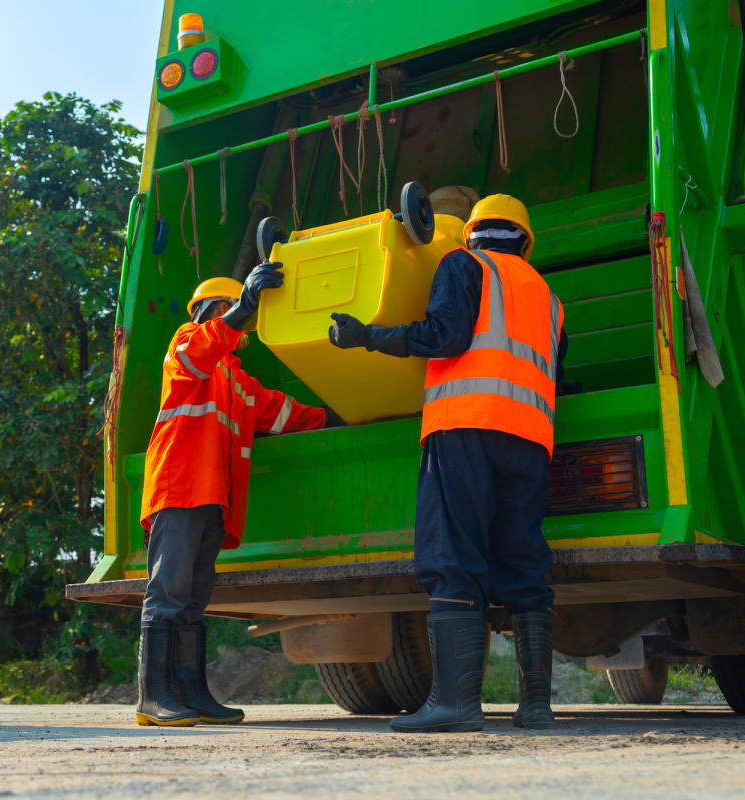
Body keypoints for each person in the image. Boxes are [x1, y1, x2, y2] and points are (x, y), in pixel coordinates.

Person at [327, 194, 567, 733]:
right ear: (524, 241)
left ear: (473, 233)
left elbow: (446, 336)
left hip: (464, 426)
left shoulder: (464, 264)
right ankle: (536, 706)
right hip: (529, 439)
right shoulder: (548, 296)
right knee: (524, 560)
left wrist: (368, 336)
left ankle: (456, 704)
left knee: (454, 554)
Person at [136, 262, 341, 727]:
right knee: (167, 592)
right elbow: (198, 352)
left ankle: (190, 692)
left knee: (192, 598)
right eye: (233, 308)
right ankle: (153, 698)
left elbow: (286, 413)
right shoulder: (188, 343)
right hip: (180, 488)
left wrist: (341, 414)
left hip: (211, 498)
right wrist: (242, 308)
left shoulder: (237, 381)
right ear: (213, 311)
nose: (239, 319)